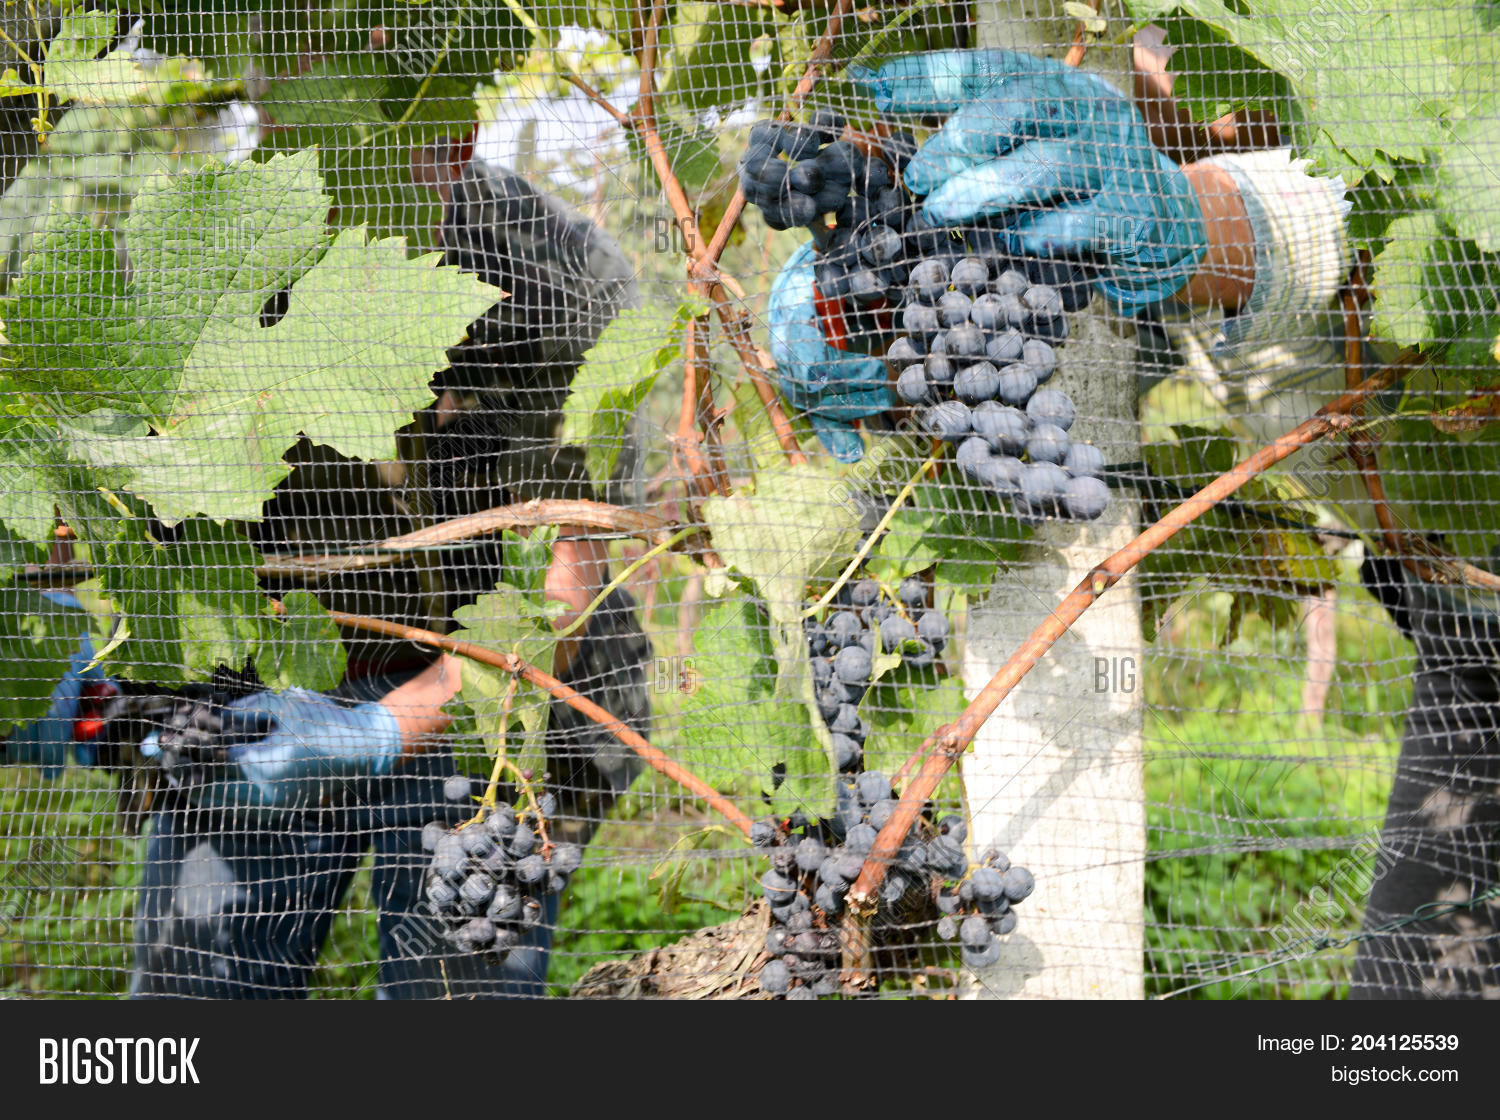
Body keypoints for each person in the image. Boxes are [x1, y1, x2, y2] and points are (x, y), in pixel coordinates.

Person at [766, 39, 1499, 998]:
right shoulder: (1127, 171)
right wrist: (871, 298)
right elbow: (1067, 349)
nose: (1156, 63)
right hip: (1473, 643)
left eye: (1166, 43)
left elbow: (1449, 203)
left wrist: (1246, 218)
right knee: (1415, 1049)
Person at [3, 157, 653, 999]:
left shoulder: (556, 267)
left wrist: (379, 732)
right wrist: (63, 676)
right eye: (295, 38)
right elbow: (74, 498)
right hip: (241, 713)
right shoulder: (211, 245)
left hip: (484, 703)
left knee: (462, 995)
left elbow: (577, 572)